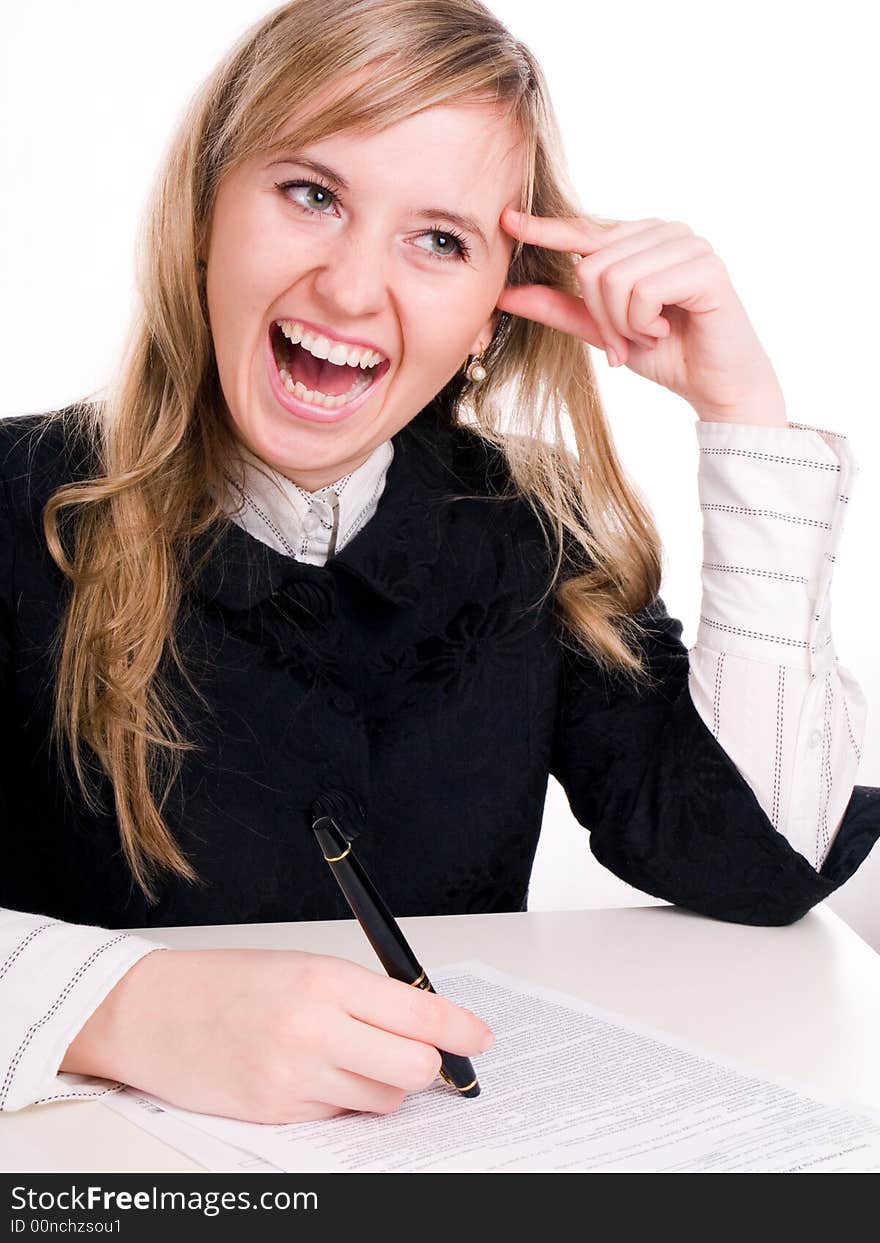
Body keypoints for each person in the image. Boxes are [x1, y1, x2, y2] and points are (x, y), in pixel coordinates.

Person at [1, 0, 877, 1126]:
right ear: (207, 213)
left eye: (439, 240)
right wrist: (119, 1009)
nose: (353, 290)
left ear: (490, 319)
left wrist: (742, 413)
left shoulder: (529, 536)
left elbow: (761, 863)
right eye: (311, 194)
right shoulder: (21, 502)